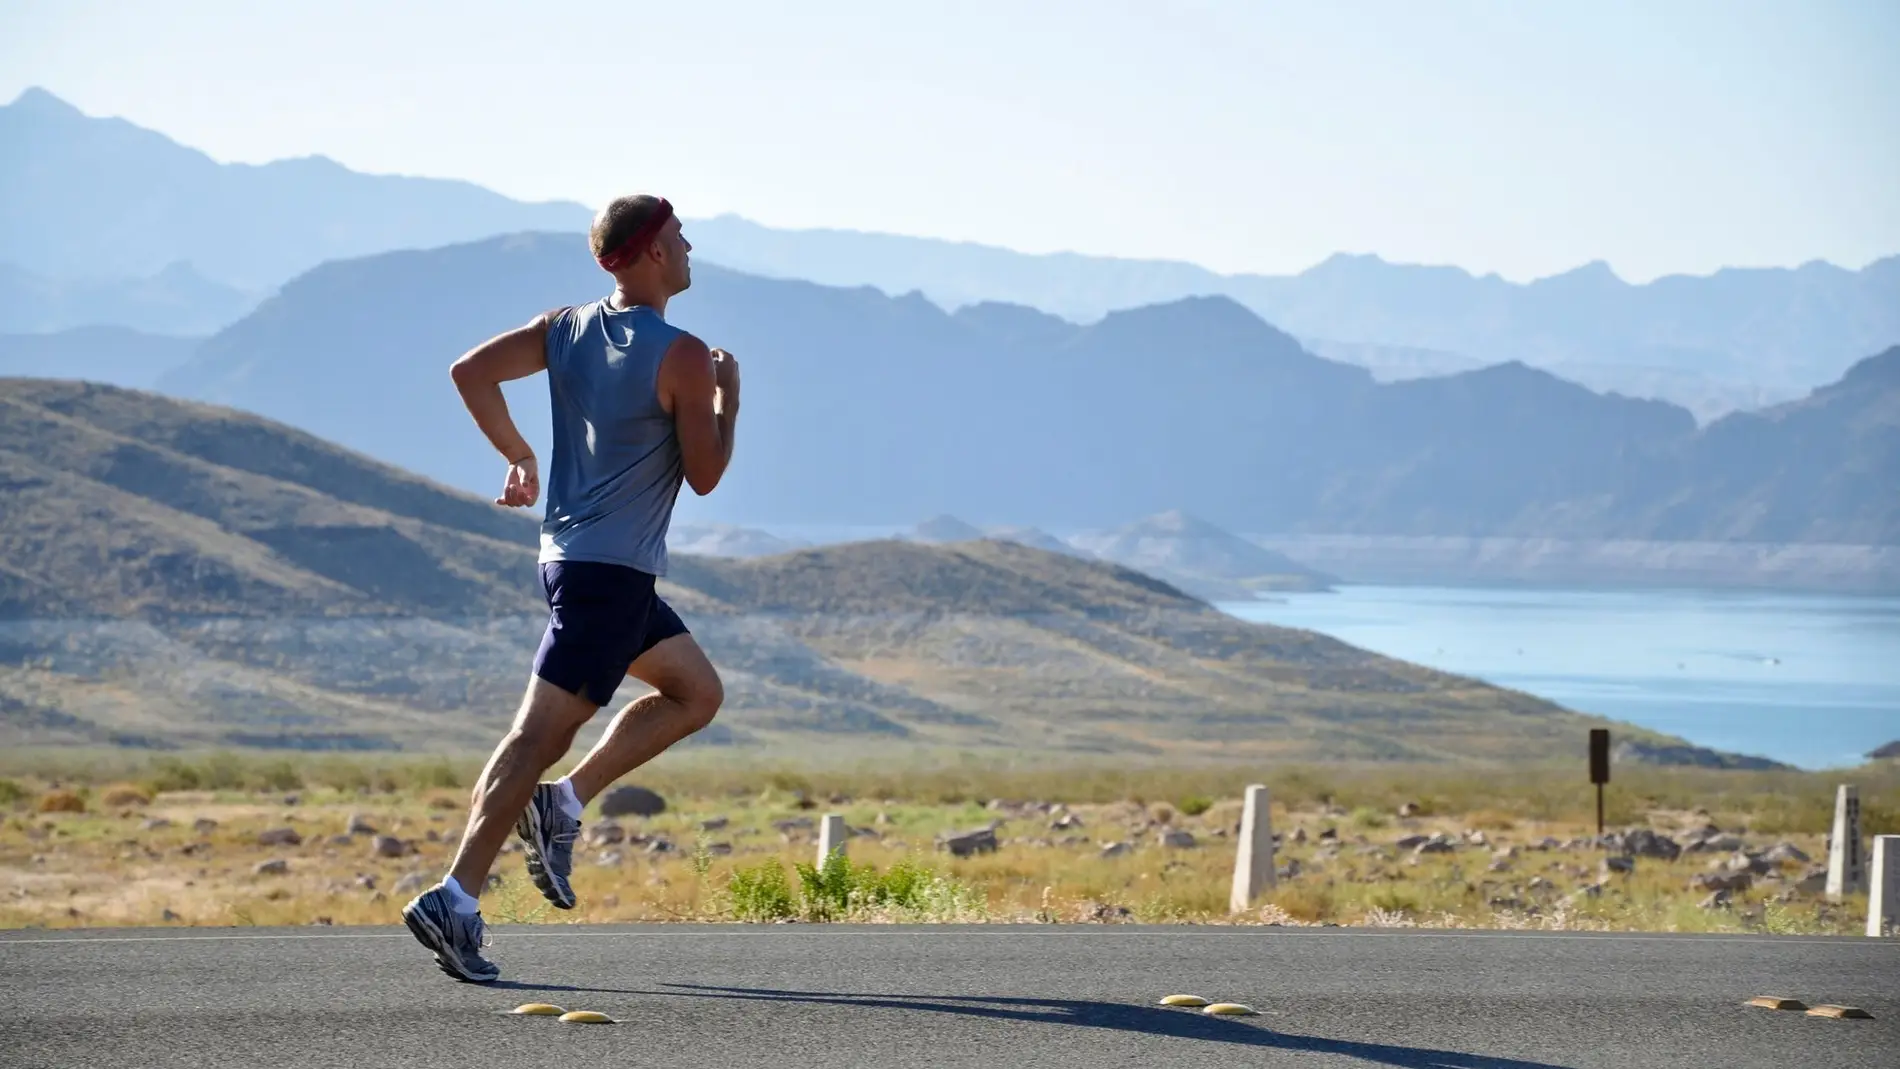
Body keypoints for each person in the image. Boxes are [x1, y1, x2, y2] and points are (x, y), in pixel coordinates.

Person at [401, 194, 739, 982]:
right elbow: (707, 474)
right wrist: (729, 396)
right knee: (533, 737)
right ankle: (455, 895)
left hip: (576, 563)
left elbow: (470, 371)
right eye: (682, 239)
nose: (691, 250)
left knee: (696, 691)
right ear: (653, 251)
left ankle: (564, 801)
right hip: (609, 577)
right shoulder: (684, 355)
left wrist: (518, 454)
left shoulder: (565, 327)